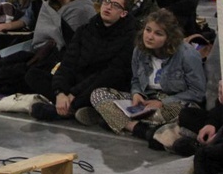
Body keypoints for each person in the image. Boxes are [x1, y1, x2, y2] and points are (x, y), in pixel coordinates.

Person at [87, 9, 205, 141]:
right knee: (97, 94)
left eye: (158, 33)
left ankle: (113, 119)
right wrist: (136, 93)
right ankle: (140, 129)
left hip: (174, 101)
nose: (149, 36)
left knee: (179, 114)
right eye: (148, 30)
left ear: (169, 38)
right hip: (147, 99)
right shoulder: (140, 50)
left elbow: (197, 93)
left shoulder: (187, 55)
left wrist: (162, 102)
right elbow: (136, 79)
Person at [28, 0, 136, 121]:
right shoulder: (85, 30)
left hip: (100, 85)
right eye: (107, 1)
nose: (108, 7)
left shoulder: (130, 37)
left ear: (123, 13)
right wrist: (60, 92)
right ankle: (68, 107)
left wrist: (73, 93)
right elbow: (68, 63)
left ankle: (65, 110)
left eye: (115, 5)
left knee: (98, 91)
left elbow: (111, 74)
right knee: (34, 74)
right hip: (77, 81)